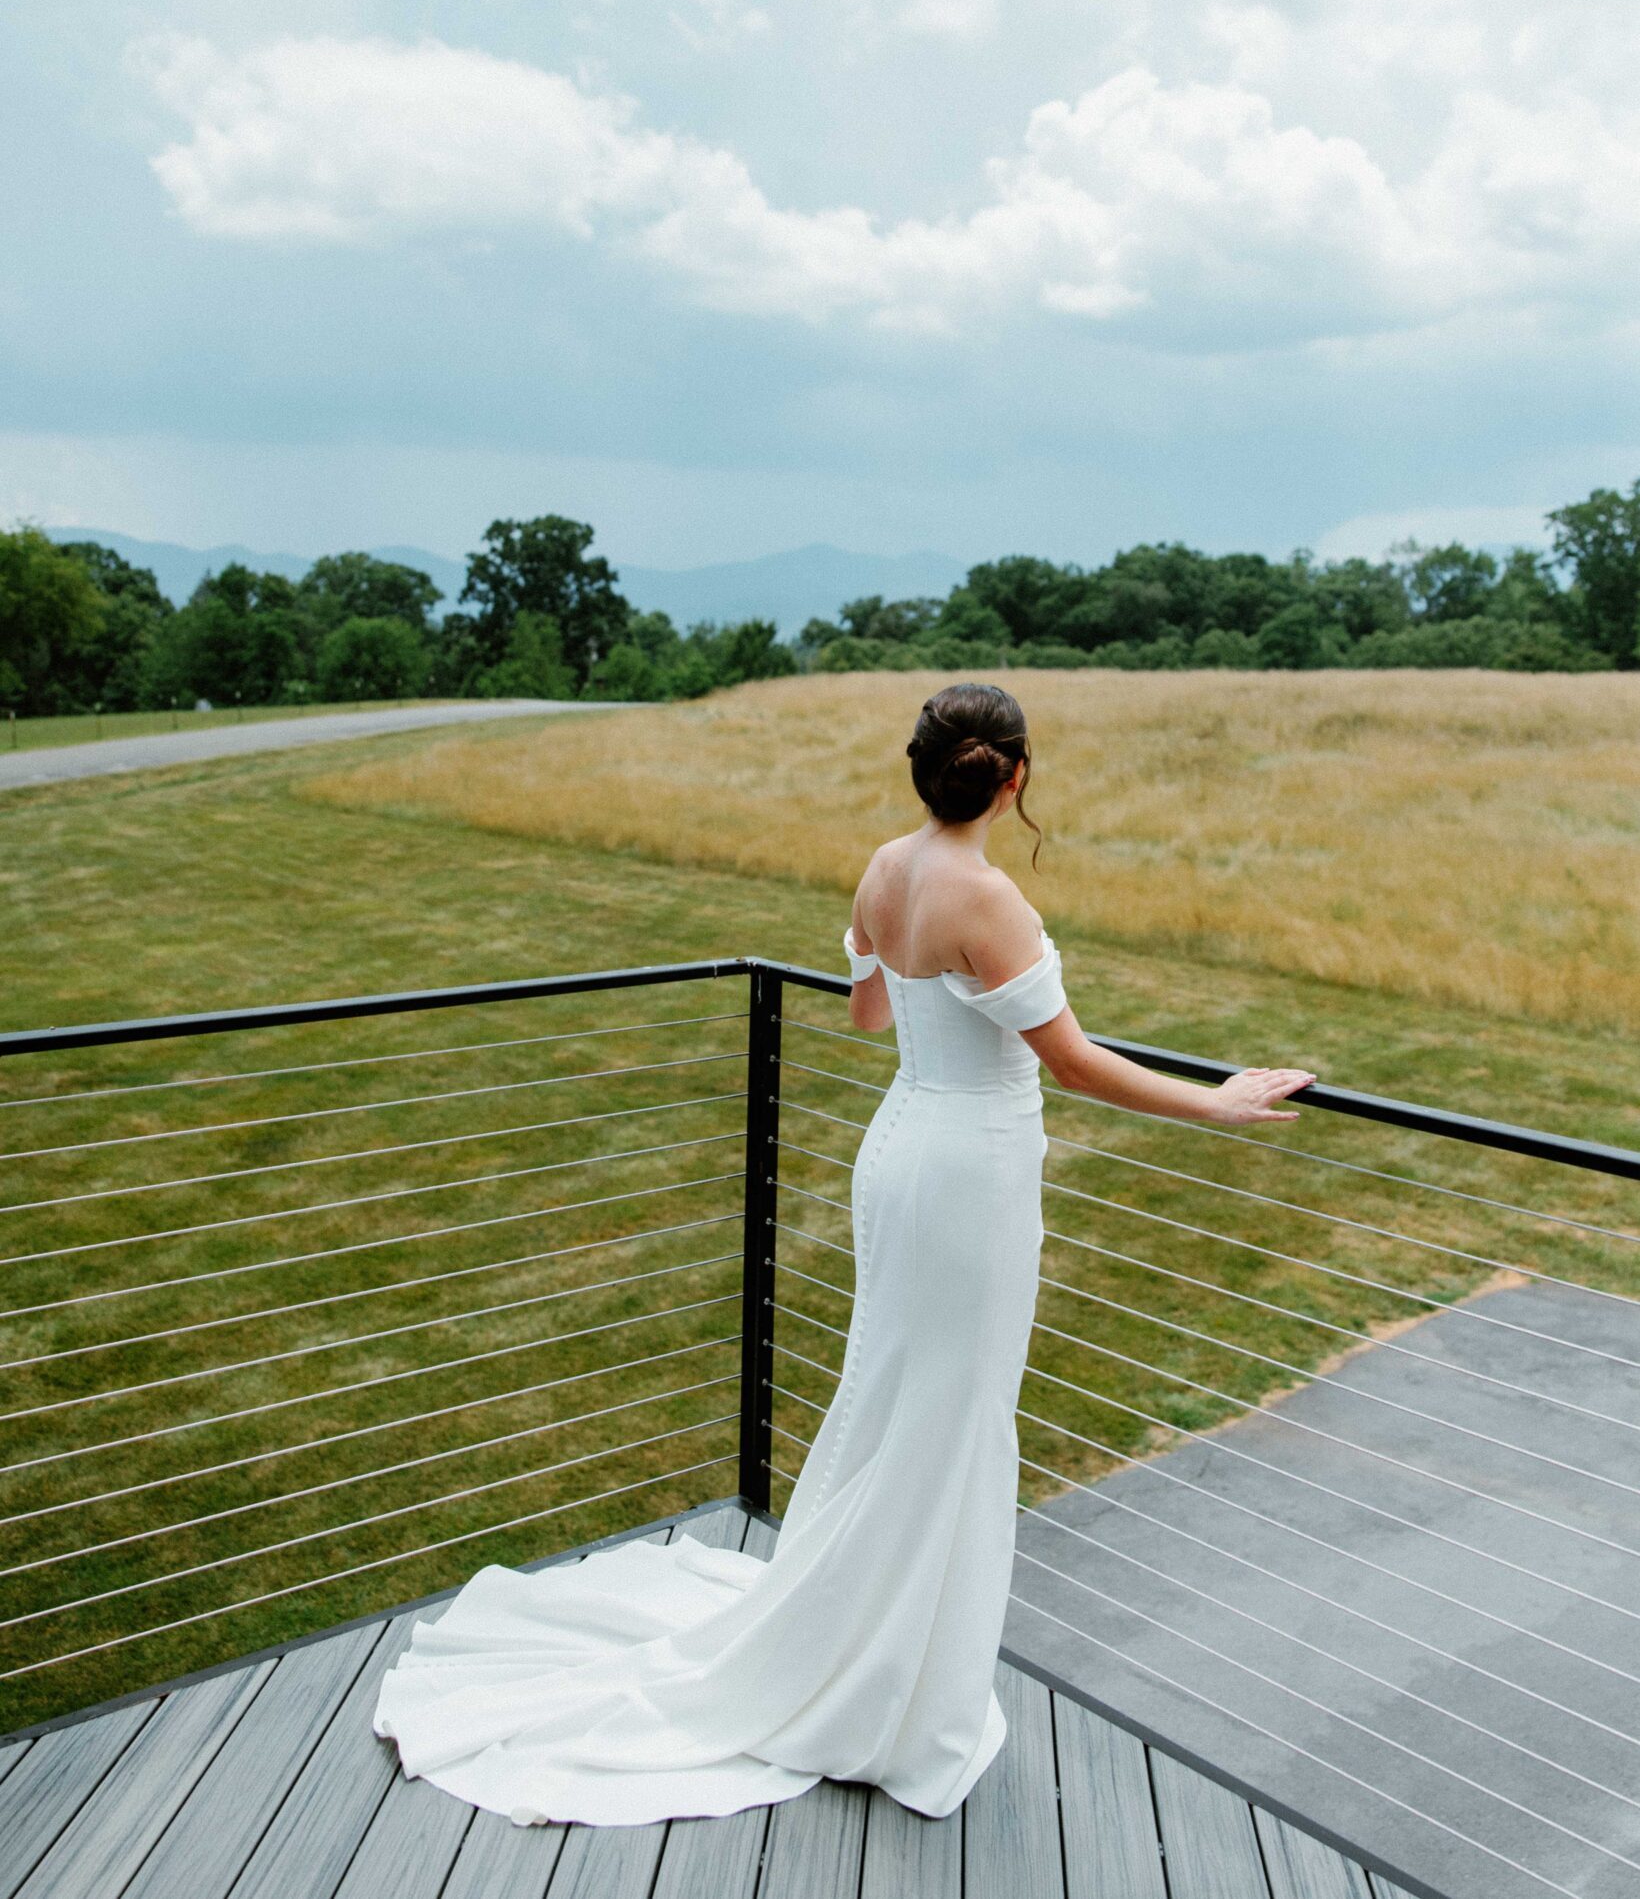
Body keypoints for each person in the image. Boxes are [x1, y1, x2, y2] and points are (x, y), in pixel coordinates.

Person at [372, 680, 1316, 1828]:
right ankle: (893, 1680)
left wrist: (907, 971)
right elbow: (1070, 1063)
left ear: (922, 769)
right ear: (1013, 777)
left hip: (899, 1152)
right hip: (968, 1174)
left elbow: (868, 1014)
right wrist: (1215, 1101)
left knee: (892, 1396)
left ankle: (862, 1631)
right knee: (956, 1413)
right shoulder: (991, 898)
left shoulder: (883, 868)